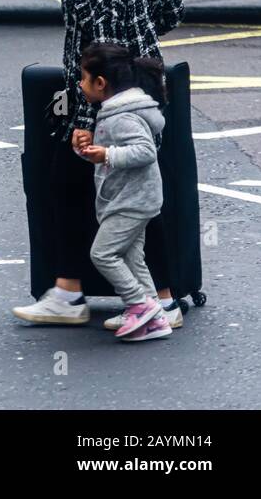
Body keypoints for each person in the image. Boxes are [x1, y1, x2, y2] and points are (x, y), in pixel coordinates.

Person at [12, 0, 185, 328]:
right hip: (147, 93)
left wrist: (89, 119)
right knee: (143, 192)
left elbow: (102, 58)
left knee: (67, 185)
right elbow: (172, 10)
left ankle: (69, 294)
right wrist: (141, 38)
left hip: (109, 102)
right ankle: (162, 298)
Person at [75, 43, 173, 342]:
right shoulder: (113, 111)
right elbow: (112, 153)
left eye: (83, 78)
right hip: (128, 196)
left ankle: (138, 304)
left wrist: (106, 154)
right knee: (132, 258)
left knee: (102, 253)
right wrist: (91, 152)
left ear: (101, 83)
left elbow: (144, 152)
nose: (80, 84)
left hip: (132, 200)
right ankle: (155, 318)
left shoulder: (122, 116)